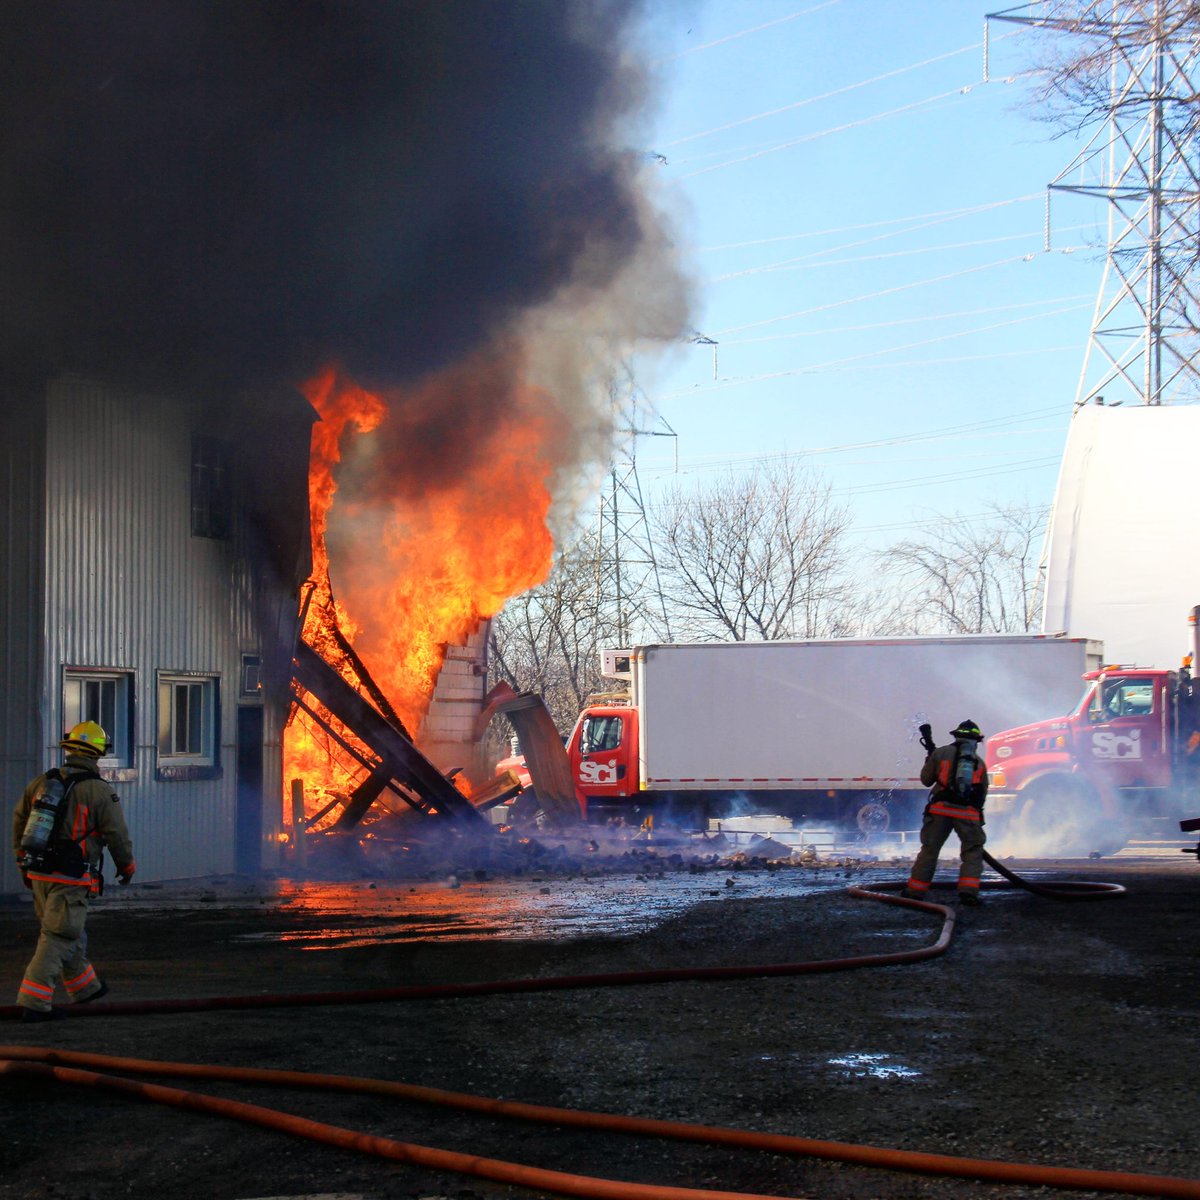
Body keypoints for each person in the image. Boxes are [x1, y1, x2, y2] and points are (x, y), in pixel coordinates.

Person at [11, 721, 136, 1023]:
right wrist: (126, 865)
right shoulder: (99, 791)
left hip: (39, 873)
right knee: (58, 936)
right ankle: (34, 1002)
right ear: (97, 754)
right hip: (69, 877)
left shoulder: (42, 783)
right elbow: (116, 833)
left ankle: (85, 989)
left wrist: (22, 864)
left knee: (70, 931)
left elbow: (19, 822)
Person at [901, 719, 988, 906]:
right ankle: (968, 893)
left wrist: (930, 760)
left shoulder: (940, 753)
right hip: (968, 814)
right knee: (972, 851)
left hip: (939, 811)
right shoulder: (979, 763)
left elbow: (926, 780)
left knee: (930, 850)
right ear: (976, 741)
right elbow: (982, 794)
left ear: (956, 736)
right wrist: (977, 819)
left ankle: (915, 892)